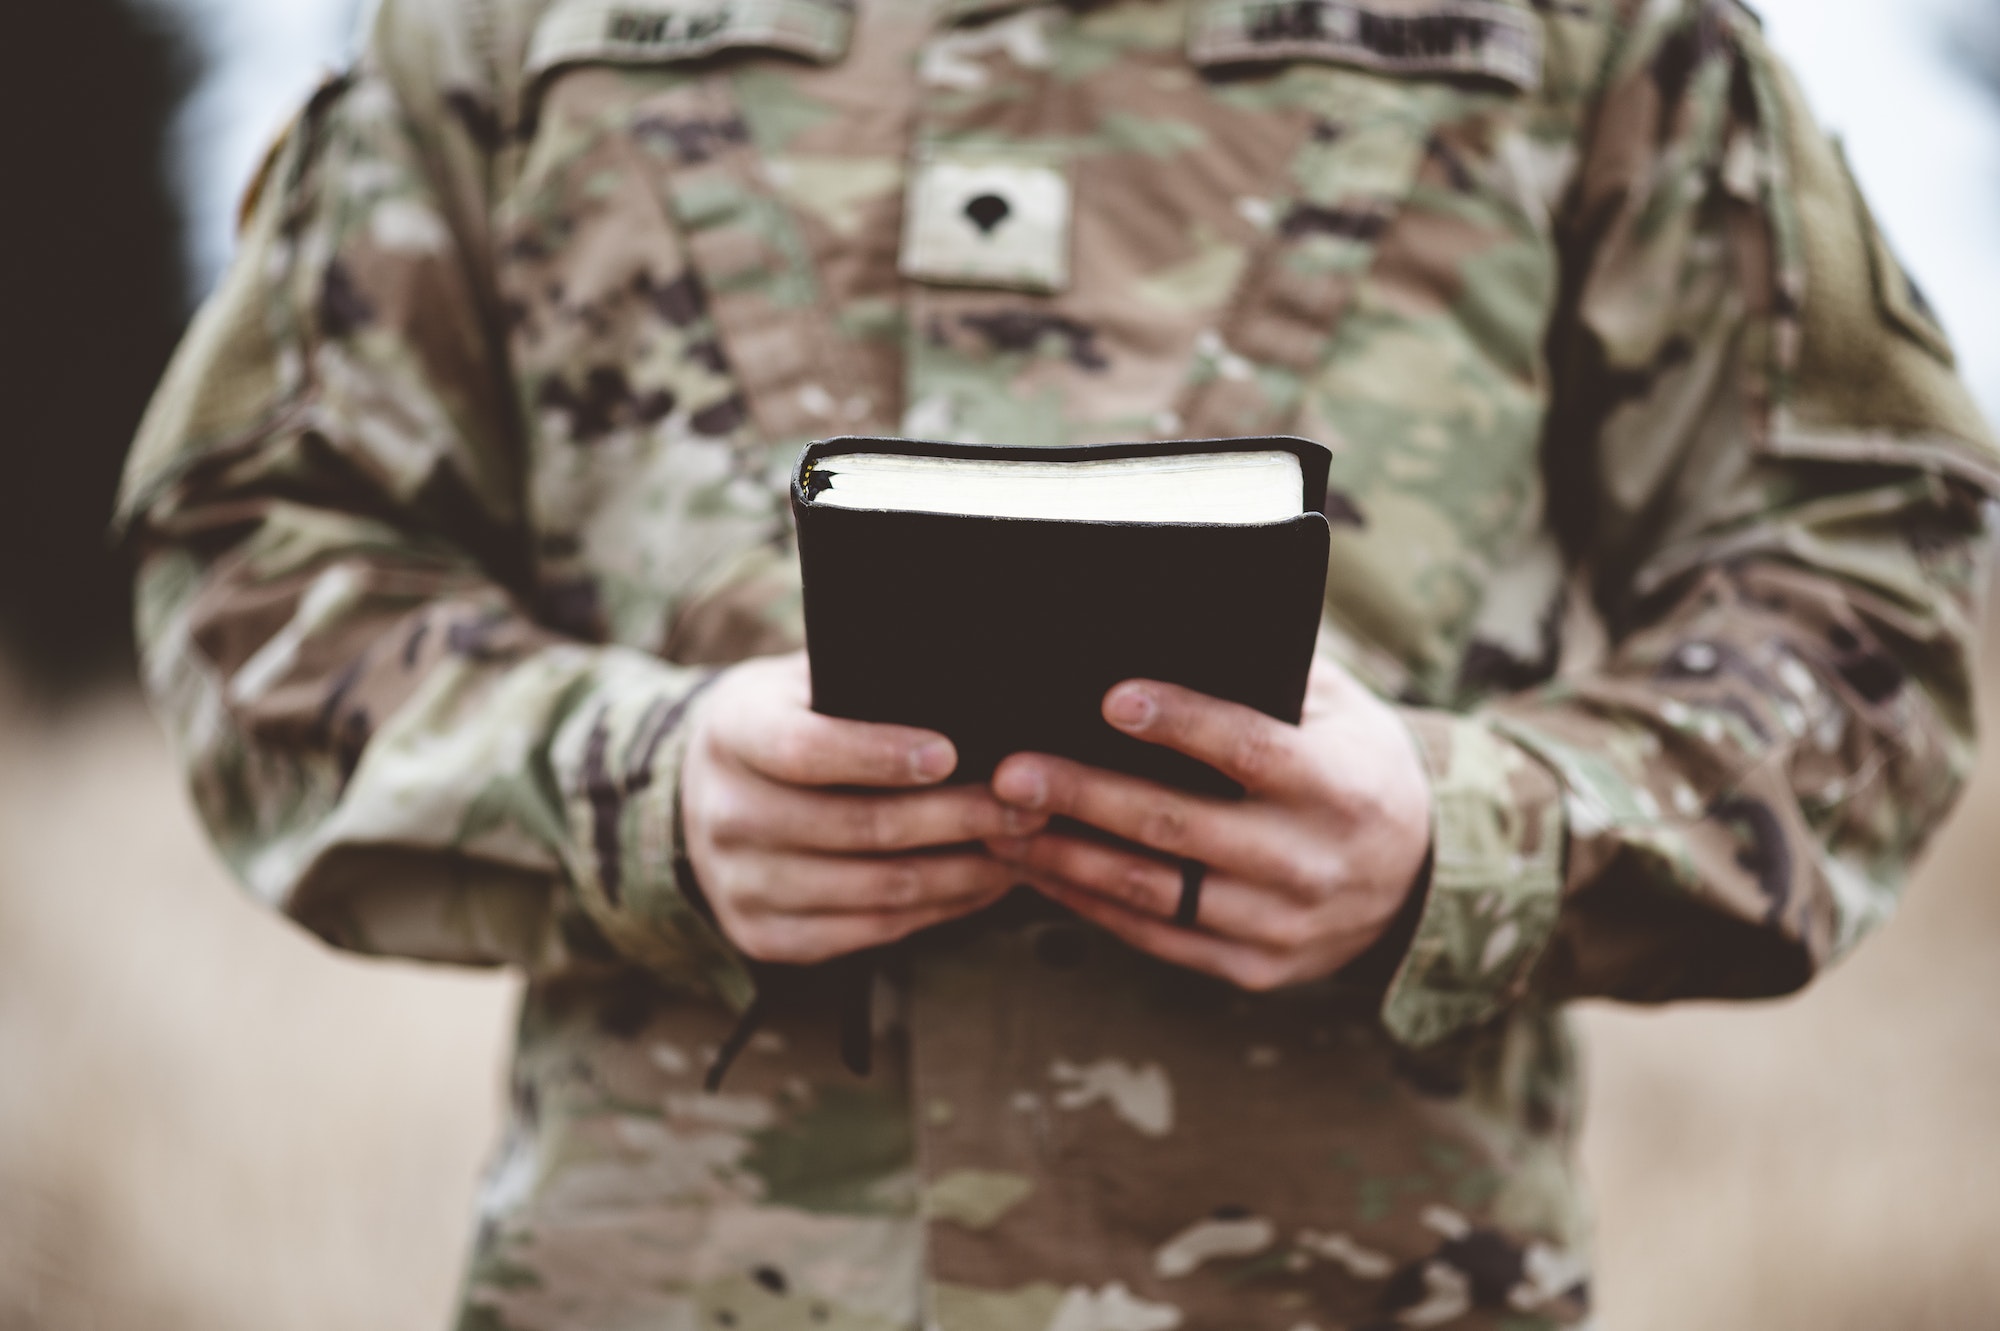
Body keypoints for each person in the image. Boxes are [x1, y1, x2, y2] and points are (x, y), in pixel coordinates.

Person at [118, 0, 1997, 1325]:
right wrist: (630, 784)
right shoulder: (496, 23)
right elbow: (254, 544)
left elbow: (1872, 559)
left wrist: (1473, 835)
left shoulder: (1593, 25)